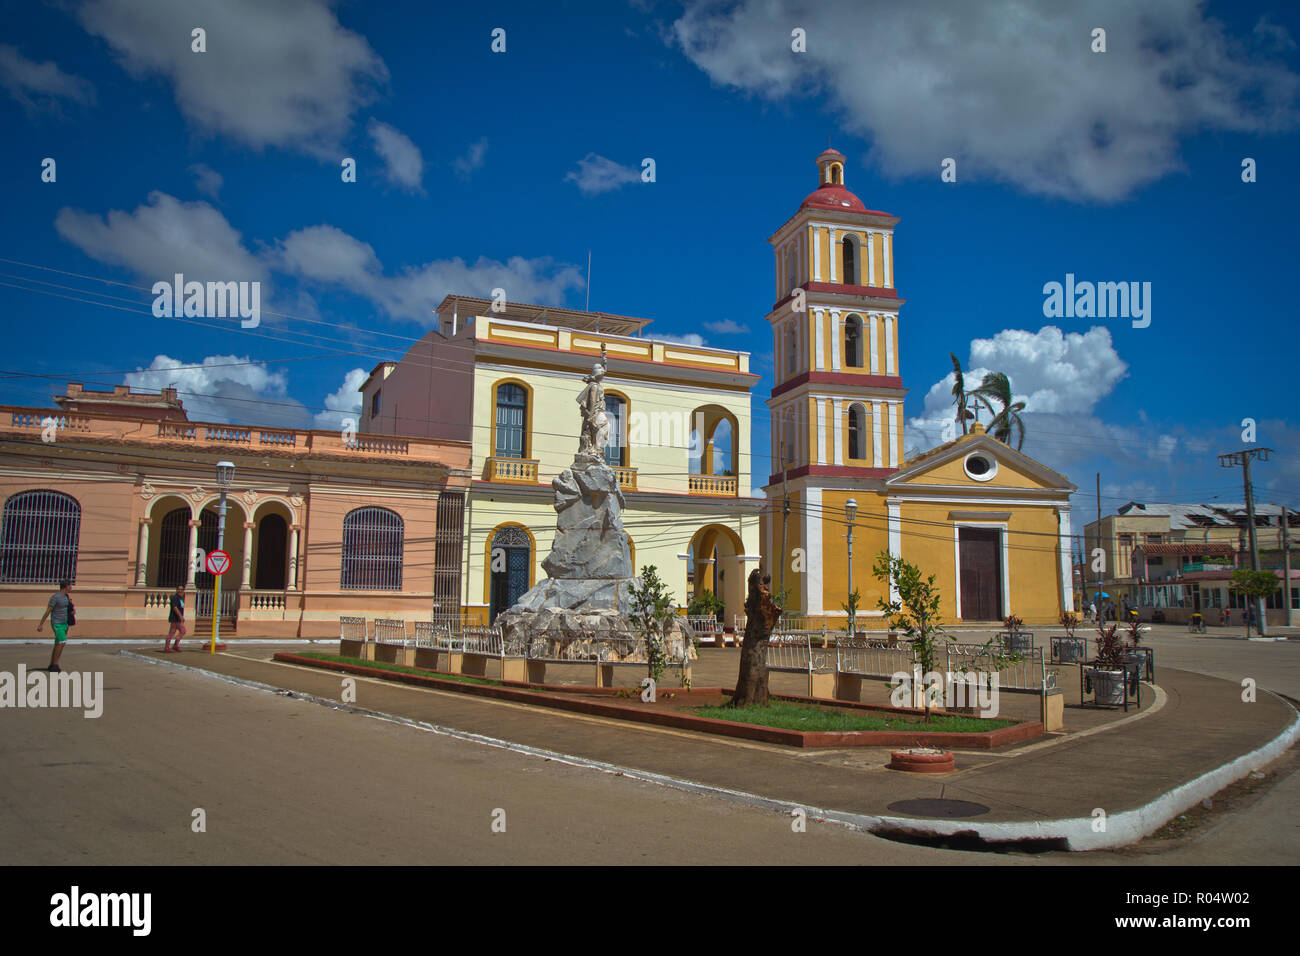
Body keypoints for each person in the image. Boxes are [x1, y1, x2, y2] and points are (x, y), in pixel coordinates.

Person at [36, 580, 73, 672]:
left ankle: (52, 664)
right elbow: (48, 611)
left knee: (58, 644)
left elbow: (68, 608)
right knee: (62, 642)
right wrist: (41, 624)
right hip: (57, 623)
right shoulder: (55, 597)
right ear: (66, 586)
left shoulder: (66, 597)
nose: (71, 588)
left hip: (65, 623)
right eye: (70, 586)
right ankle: (55, 664)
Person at [165, 584, 186, 652]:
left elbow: (181, 607)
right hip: (174, 618)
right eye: (179, 589)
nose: (180, 591)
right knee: (173, 632)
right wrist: (181, 616)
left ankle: (175, 645)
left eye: (181, 589)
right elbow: (175, 608)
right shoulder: (175, 597)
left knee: (182, 631)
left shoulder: (181, 598)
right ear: (177, 590)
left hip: (178, 618)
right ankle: (167, 647)